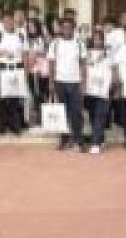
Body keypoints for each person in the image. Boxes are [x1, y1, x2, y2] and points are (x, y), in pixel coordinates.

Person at [47, 17, 87, 152]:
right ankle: (64, 140)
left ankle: (78, 140)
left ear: (73, 29)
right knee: (62, 113)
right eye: (64, 27)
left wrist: (83, 83)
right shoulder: (55, 44)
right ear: (61, 29)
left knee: (76, 112)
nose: (66, 29)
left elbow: (83, 64)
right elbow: (51, 64)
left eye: (69, 27)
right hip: (60, 82)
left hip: (75, 82)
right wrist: (51, 82)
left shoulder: (79, 44)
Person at [0, 13, 28, 135]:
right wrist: (2, 52)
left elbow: (25, 54)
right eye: (6, 21)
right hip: (2, 68)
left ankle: (14, 124)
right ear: (3, 23)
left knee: (15, 98)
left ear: (14, 22)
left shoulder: (21, 35)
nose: (8, 23)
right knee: (1, 98)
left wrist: (26, 72)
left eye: (10, 21)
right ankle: (2, 125)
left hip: (17, 68)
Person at [85, 30, 112, 154]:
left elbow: (113, 70)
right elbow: (84, 68)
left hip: (104, 90)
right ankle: (100, 139)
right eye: (95, 39)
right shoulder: (87, 53)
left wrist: (112, 86)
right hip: (90, 89)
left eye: (100, 39)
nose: (98, 41)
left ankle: (95, 143)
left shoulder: (109, 53)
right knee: (92, 115)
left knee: (100, 115)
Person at [25, 18, 49, 125]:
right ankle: (36, 117)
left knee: (41, 94)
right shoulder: (26, 39)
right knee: (34, 94)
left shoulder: (42, 39)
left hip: (41, 70)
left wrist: (37, 55)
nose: (31, 29)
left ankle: (42, 118)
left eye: (33, 26)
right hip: (30, 70)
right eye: (29, 27)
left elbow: (47, 53)